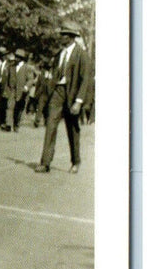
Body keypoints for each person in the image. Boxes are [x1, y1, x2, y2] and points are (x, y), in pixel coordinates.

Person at [36, 21, 93, 174]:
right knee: (50, 126)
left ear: (72, 37)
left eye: (65, 35)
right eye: (61, 34)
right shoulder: (59, 54)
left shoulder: (82, 55)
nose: (61, 38)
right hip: (58, 94)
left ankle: (76, 161)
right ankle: (45, 162)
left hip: (73, 96)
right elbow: (54, 74)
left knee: (72, 129)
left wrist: (78, 102)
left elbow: (85, 79)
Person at [12, 49, 37, 131]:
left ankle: (17, 124)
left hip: (22, 92)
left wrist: (26, 87)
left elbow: (30, 79)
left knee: (19, 109)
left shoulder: (27, 68)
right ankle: (9, 123)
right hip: (12, 90)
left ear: (21, 58)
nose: (16, 59)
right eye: (15, 57)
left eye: (18, 57)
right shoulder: (12, 66)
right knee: (11, 107)